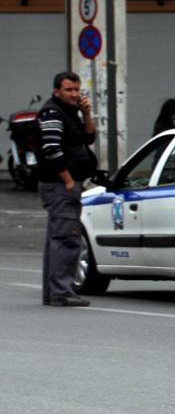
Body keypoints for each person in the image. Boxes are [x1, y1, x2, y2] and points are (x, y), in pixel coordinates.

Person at [34, 71, 97, 307]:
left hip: (62, 186)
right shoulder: (52, 113)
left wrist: (87, 113)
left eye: (76, 89)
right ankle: (61, 292)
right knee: (68, 239)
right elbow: (52, 150)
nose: (73, 94)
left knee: (57, 239)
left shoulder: (71, 113)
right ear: (56, 91)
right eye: (68, 90)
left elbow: (88, 139)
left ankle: (54, 292)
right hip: (59, 186)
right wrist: (69, 181)